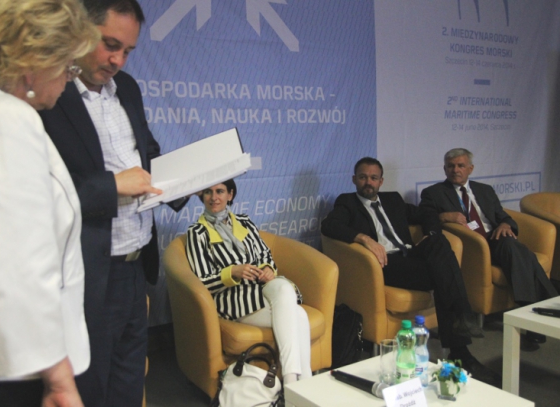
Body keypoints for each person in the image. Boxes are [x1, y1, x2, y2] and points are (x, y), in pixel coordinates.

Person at [0, 0, 99, 406]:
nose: (69, 78)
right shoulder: (3, 119)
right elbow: (16, 264)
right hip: (2, 367)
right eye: (68, 65)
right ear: (33, 63)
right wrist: (59, 378)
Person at [38, 0, 188, 405]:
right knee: (88, 390)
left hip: (136, 267)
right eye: (110, 45)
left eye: (128, 51)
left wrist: (186, 178)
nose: (118, 60)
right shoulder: (50, 93)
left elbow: (147, 153)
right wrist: (112, 186)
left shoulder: (129, 88)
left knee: (128, 386)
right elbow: (39, 190)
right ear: (80, 31)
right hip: (87, 272)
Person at [321, 157, 502, 386]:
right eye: (363, 177)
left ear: (381, 181)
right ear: (354, 179)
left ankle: (460, 348)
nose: (368, 182)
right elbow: (329, 225)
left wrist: (434, 229)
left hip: (411, 255)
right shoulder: (347, 203)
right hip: (387, 263)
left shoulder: (393, 200)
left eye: (374, 178)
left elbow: (425, 214)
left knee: (439, 243)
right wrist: (364, 238)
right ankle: (461, 350)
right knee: (444, 274)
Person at [419, 148, 558, 349]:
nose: (455, 170)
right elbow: (427, 221)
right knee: (521, 253)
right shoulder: (433, 193)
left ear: (470, 168)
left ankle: (532, 311)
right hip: (473, 246)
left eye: (460, 165)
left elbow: (503, 216)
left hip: (494, 237)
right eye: (451, 166)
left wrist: (506, 225)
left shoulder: (484, 190)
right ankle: (546, 306)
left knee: (511, 244)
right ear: (444, 169)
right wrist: (444, 216)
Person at [186, 179, 311, 385]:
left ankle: (297, 384)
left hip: (260, 289)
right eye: (208, 192)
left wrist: (268, 268)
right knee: (298, 314)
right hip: (233, 299)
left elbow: (265, 254)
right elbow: (202, 281)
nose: (214, 197)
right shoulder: (197, 233)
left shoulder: (244, 222)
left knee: (285, 290)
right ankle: (298, 384)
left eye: (220, 191)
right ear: (202, 196)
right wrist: (232, 272)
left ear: (230, 195)